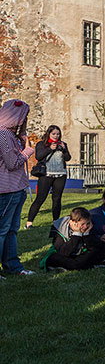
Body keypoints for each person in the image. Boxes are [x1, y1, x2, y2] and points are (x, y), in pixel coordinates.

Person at [0, 99, 35, 276]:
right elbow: (12, 163)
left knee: (11, 230)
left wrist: (21, 140)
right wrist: (28, 151)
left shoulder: (9, 135)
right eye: (24, 117)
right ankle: (10, 267)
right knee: (3, 231)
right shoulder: (4, 135)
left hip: (14, 189)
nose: (26, 120)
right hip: (6, 191)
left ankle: (13, 267)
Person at [25, 125, 71, 228]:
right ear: (49, 134)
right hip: (46, 174)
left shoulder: (63, 144)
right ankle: (29, 222)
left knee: (57, 198)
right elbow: (38, 156)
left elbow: (68, 158)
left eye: (58, 134)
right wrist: (50, 149)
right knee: (40, 198)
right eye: (53, 134)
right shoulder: (42, 144)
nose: (56, 136)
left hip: (60, 174)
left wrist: (64, 150)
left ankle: (56, 222)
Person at [41, 207, 105, 272]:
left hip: (80, 256)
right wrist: (77, 234)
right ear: (72, 222)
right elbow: (63, 252)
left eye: (87, 223)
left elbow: (93, 247)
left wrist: (86, 234)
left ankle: (75, 266)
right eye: (82, 224)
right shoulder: (60, 228)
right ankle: (85, 265)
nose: (85, 226)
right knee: (53, 258)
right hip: (64, 255)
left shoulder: (89, 226)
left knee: (102, 249)